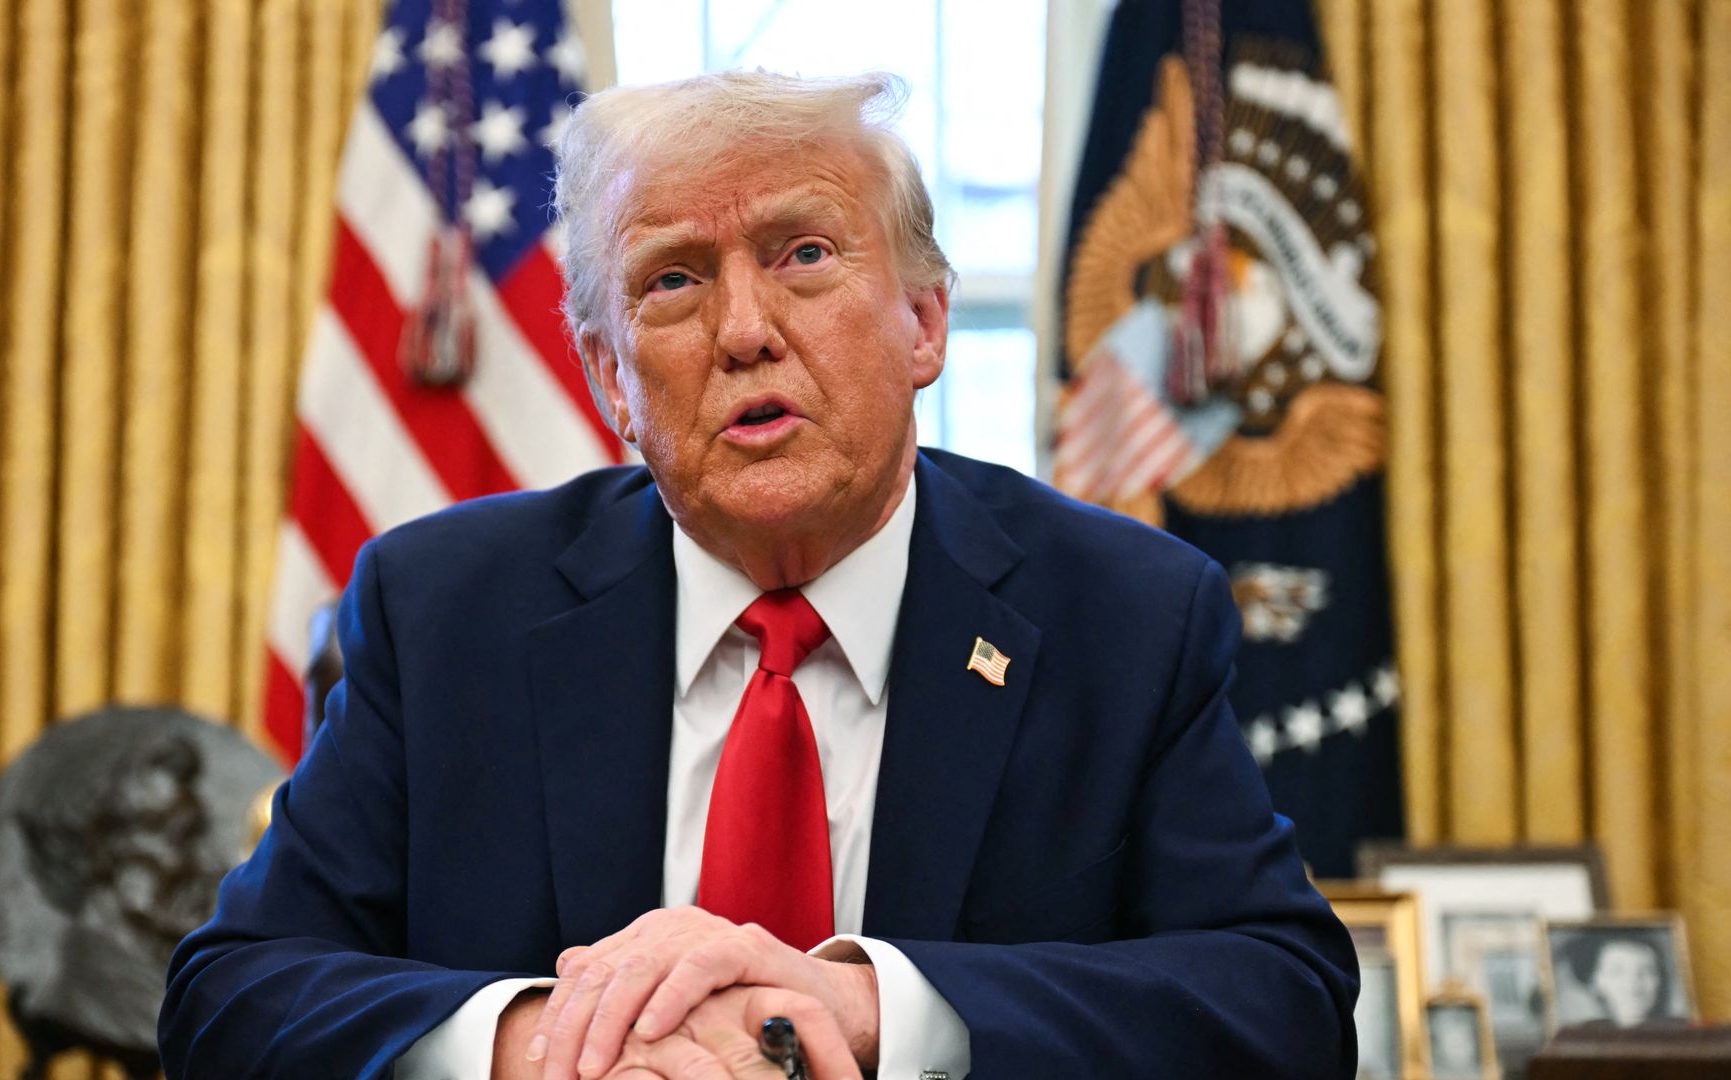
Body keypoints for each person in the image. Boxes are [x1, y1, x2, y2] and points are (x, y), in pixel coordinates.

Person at [159, 70, 1358, 1079]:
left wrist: (868, 1008)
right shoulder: (442, 614)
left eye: (804, 254)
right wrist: (545, 1042)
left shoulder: (1124, 613)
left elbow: (1283, 998)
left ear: (926, 324)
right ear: (613, 379)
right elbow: (231, 996)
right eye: (672, 279)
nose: (743, 329)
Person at [1561, 933, 1673, 1028]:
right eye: (1617, 971)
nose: (1633, 982)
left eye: (1647, 970)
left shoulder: (1677, 1034)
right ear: (1594, 982)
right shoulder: (1578, 1038)